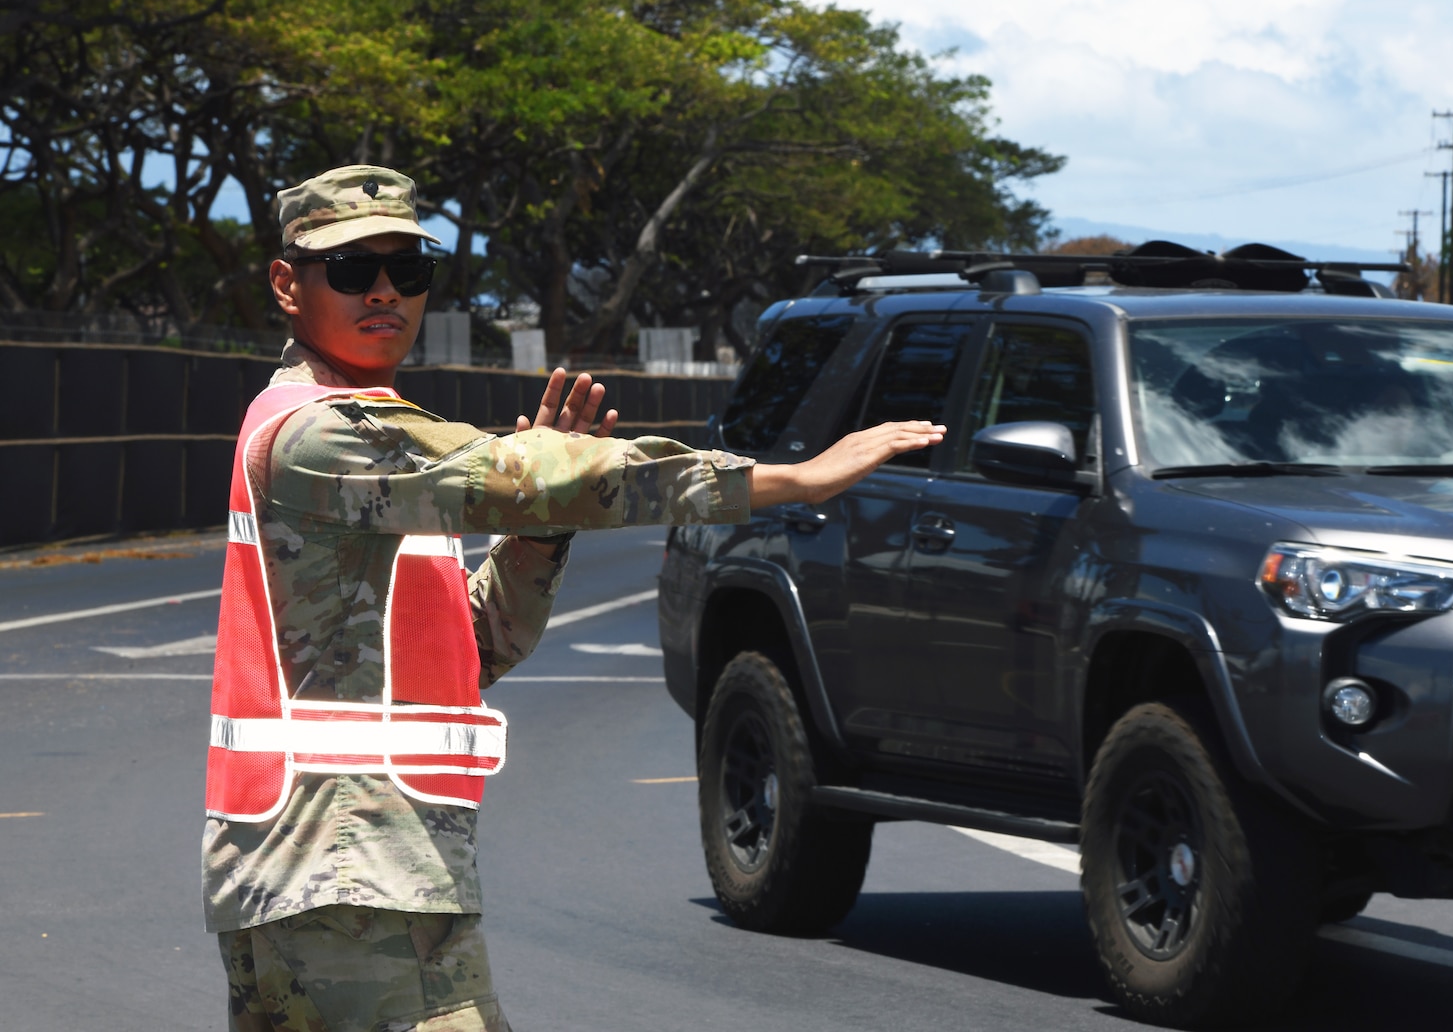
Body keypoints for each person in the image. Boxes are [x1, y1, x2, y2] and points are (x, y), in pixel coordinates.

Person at [203, 164, 943, 1032]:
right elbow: (535, 475)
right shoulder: (322, 433)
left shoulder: (376, 440)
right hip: (347, 873)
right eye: (352, 269)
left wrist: (537, 531)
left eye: (408, 271)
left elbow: (475, 647)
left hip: (351, 866)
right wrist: (792, 480)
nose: (385, 293)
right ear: (288, 285)